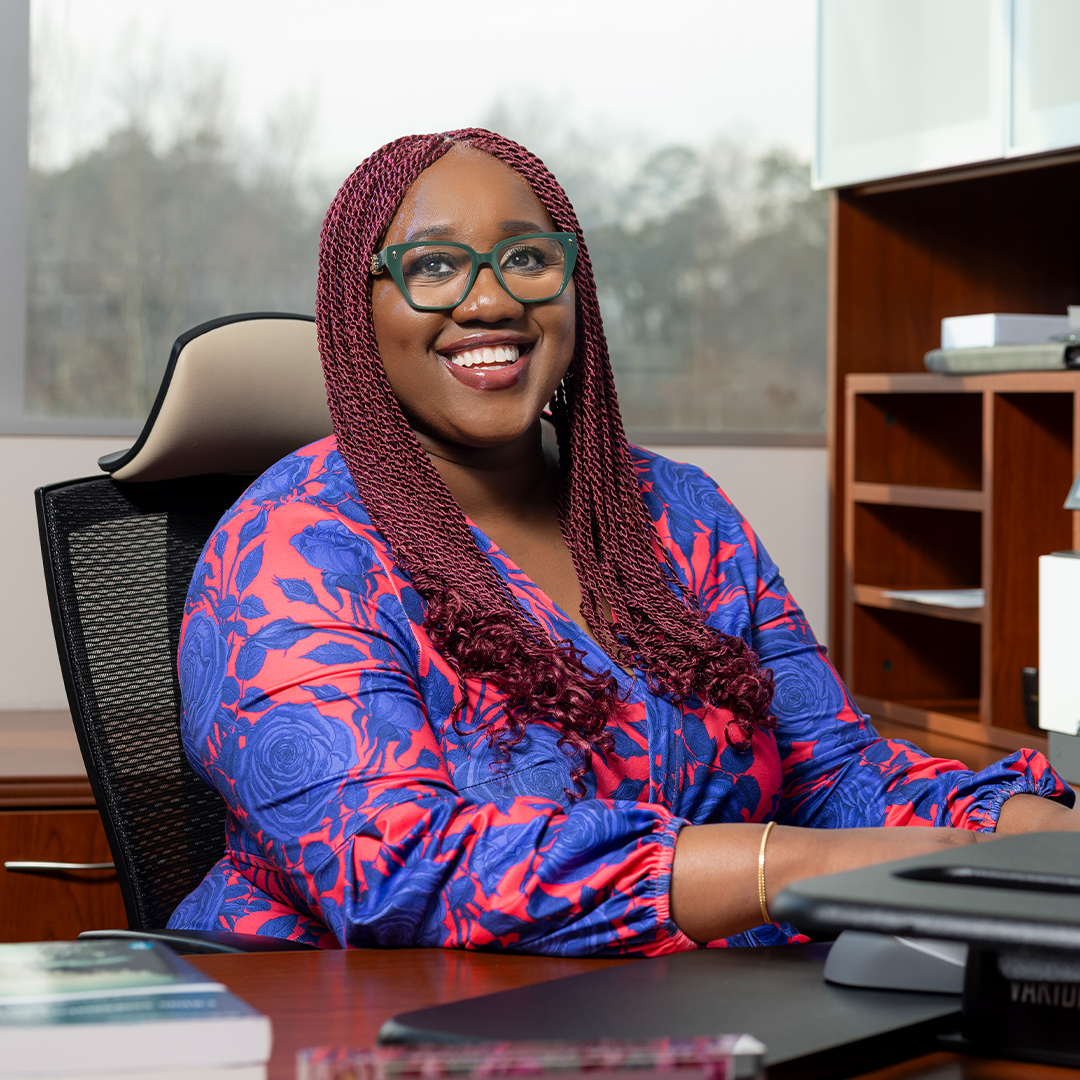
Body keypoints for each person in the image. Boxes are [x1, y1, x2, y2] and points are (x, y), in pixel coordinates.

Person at [168, 129, 1076, 953]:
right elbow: (399, 873)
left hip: (695, 1004)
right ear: (356, 309)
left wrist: (1022, 831)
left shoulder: (682, 514)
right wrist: (785, 869)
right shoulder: (293, 549)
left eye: (527, 259)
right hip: (374, 1018)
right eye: (434, 267)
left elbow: (837, 775)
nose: (489, 300)